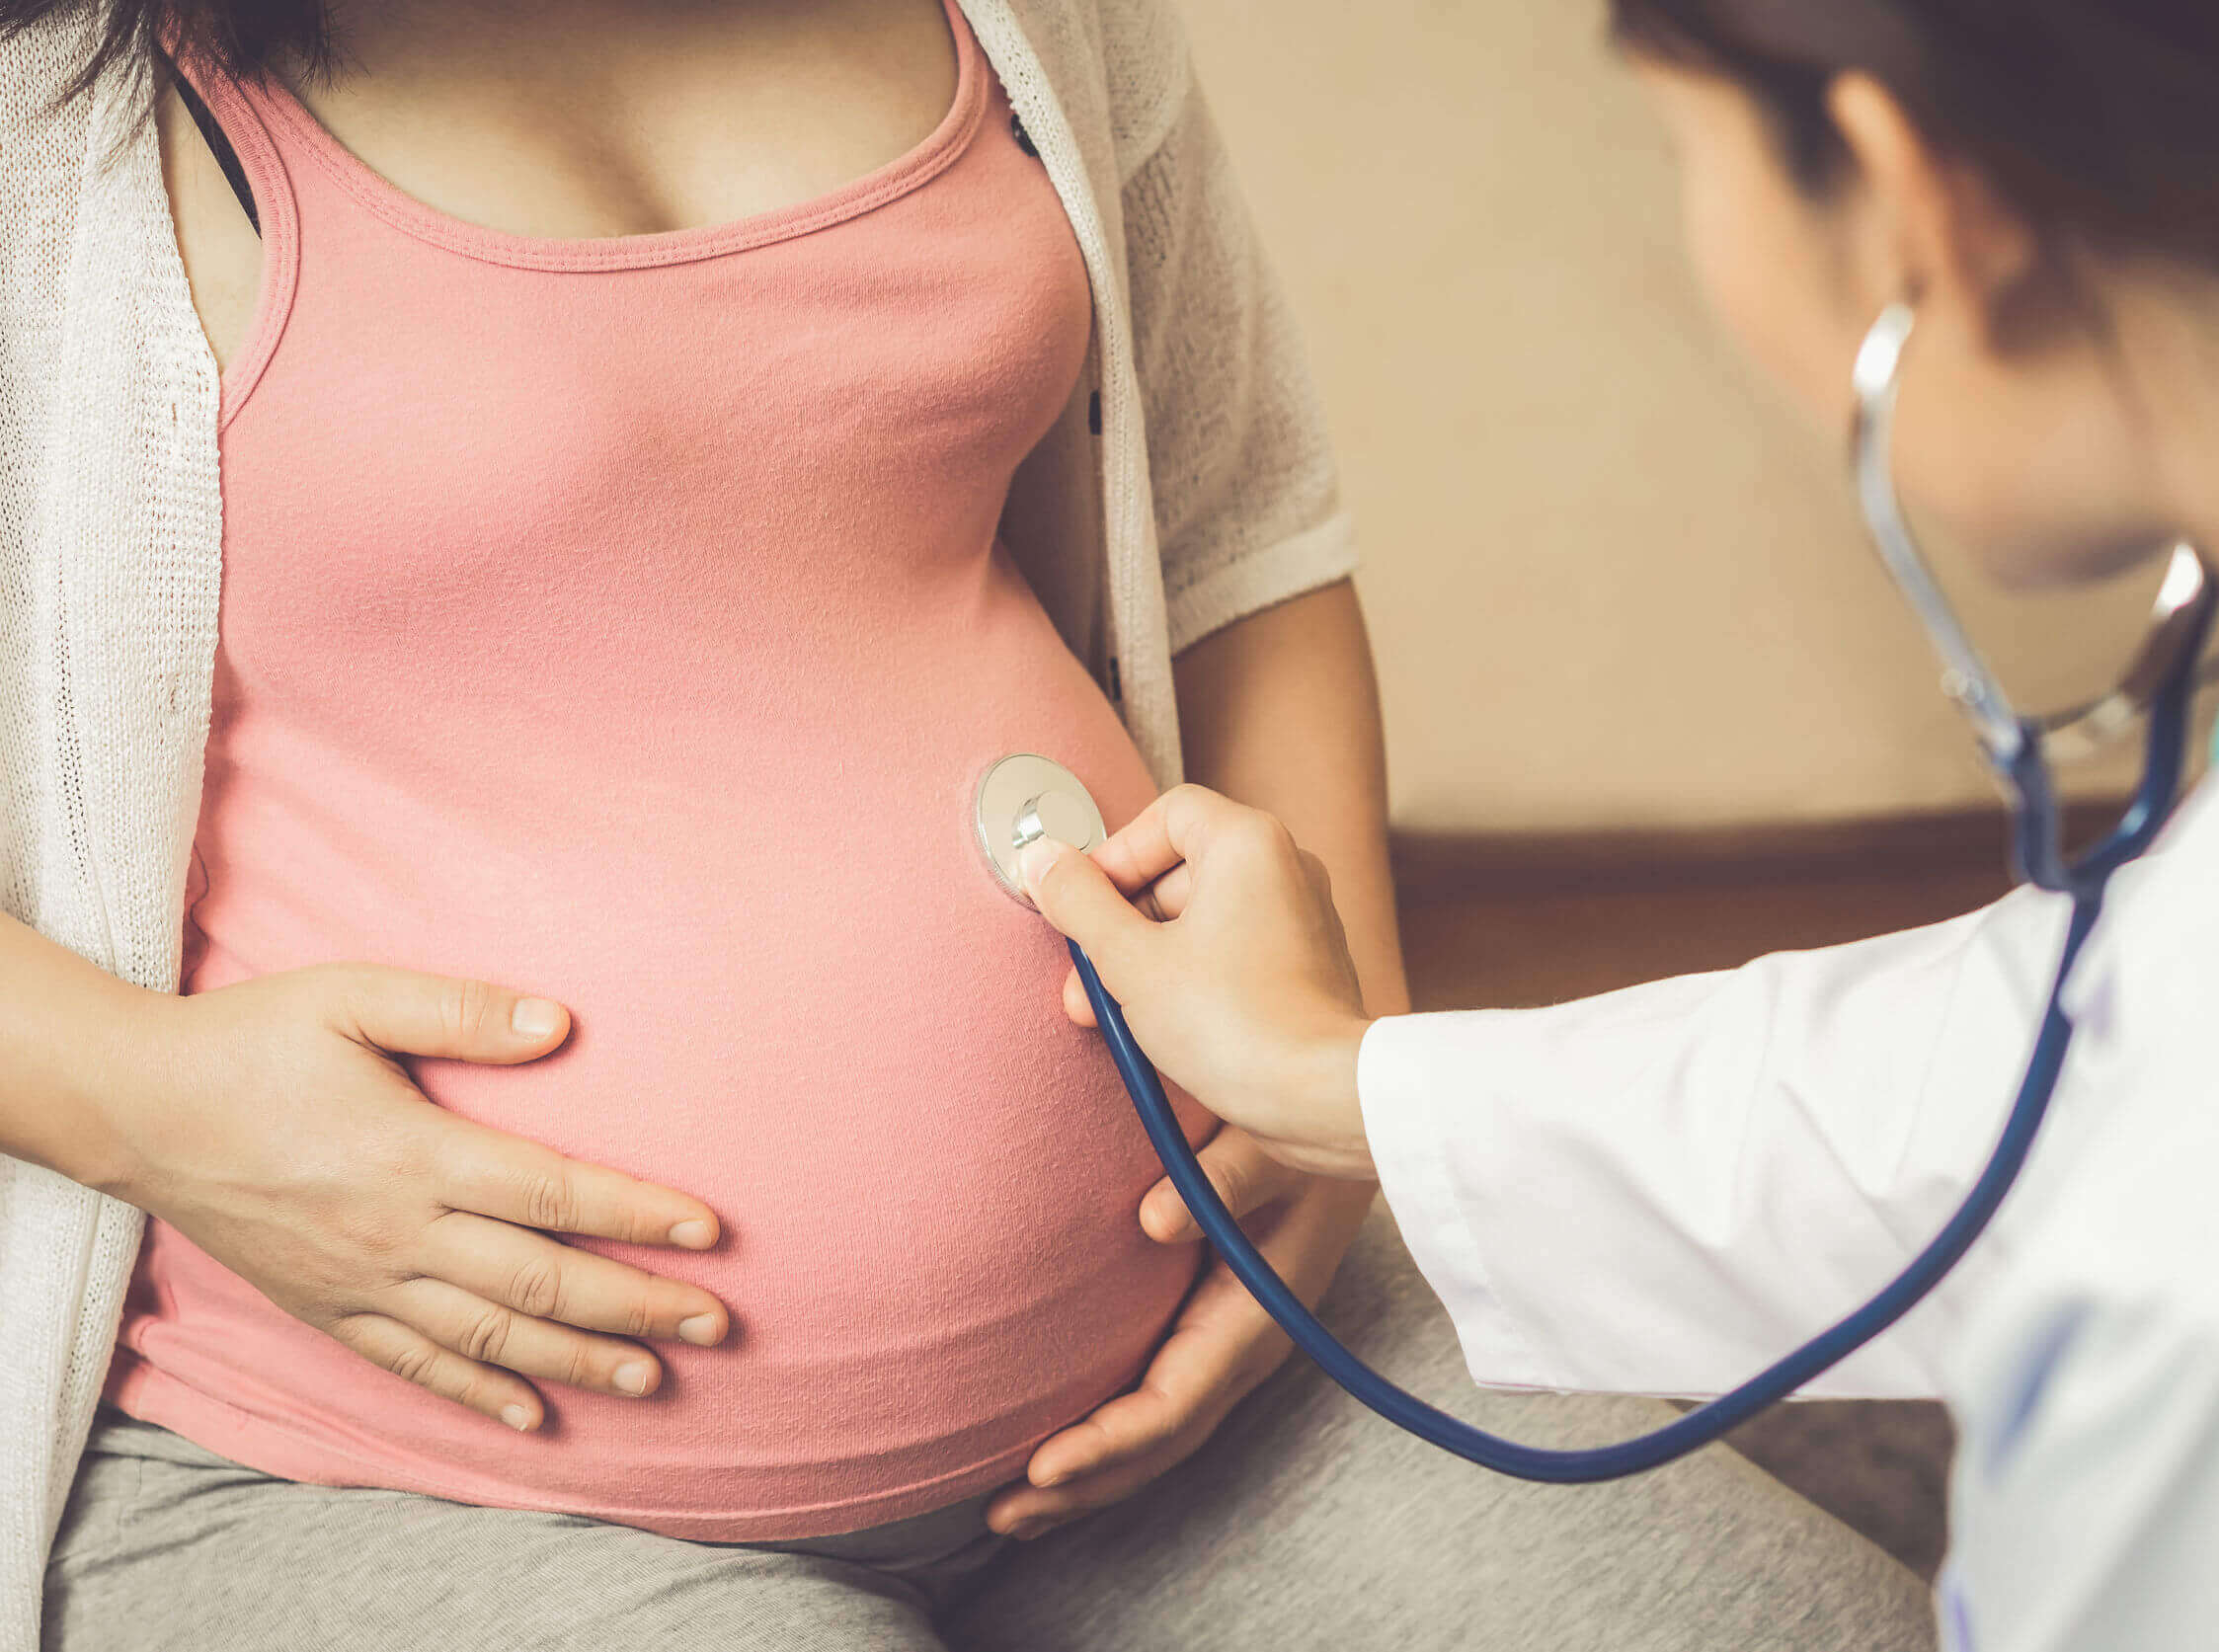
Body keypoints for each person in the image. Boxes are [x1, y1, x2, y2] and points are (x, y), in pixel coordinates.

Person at [2, 0, 1931, 1646]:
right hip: (383, 1470)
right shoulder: (55, 115)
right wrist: (143, 1102)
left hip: (1204, 1357)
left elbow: (1244, 525)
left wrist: (1337, 1090)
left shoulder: (1034, 16)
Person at [1013, 1, 2219, 1647]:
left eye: (1680, 153)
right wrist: (1344, 1082)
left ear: (1921, 206)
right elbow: (2028, 1074)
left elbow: (2191, 1139)